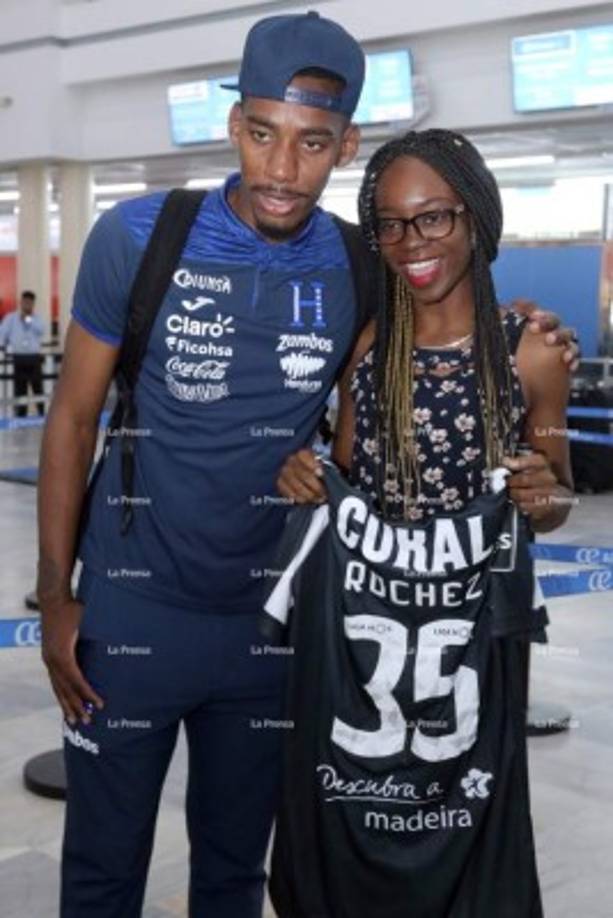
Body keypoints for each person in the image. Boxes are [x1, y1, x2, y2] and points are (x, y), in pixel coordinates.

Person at [37, 11, 576, 918]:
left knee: (234, 873)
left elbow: (440, 303)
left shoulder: (359, 264)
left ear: (344, 147)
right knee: (100, 869)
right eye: (262, 134)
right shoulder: (138, 237)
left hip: (275, 627)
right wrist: (56, 596)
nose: (281, 169)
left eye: (312, 143)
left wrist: (526, 334)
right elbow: (73, 417)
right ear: (234, 124)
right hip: (133, 612)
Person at [274, 129, 573, 917]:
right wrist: (305, 477)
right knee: (356, 813)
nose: (411, 242)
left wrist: (542, 494)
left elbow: (558, 499)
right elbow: (344, 480)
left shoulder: (531, 354)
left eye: (432, 217)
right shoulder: (370, 345)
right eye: (391, 224)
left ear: (475, 215)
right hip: (368, 636)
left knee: (467, 828)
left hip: (475, 641)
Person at [0, 289, 45, 417]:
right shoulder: (11, 318)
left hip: (34, 358)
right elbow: (2, 333)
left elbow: (41, 331)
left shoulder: (37, 319)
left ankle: (42, 415)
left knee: (38, 388)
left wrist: (28, 320)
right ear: (21, 302)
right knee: (20, 390)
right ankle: (20, 417)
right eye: (25, 302)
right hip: (18, 357)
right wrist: (3, 347)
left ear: (33, 304)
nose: (27, 305)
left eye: (30, 303)